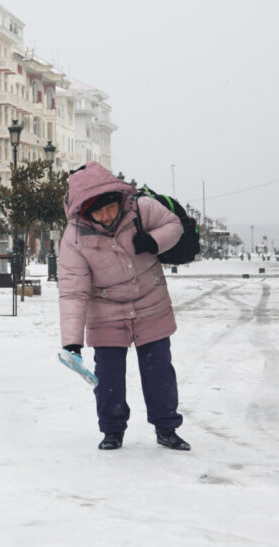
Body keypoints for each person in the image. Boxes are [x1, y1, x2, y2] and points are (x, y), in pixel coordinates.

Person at [57, 161, 191, 452]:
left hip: (150, 302)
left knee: (159, 371)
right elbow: (72, 291)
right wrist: (71, 342)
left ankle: (167, 427)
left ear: (118, 198)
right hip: (105, 310)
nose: (106, 216)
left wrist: (153, 241)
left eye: (110, 207)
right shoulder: (75, 237)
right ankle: (112, 430)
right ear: (84, 210)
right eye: (97, 210)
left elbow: (174, 225)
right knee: (108, 376)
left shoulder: (140, 209)